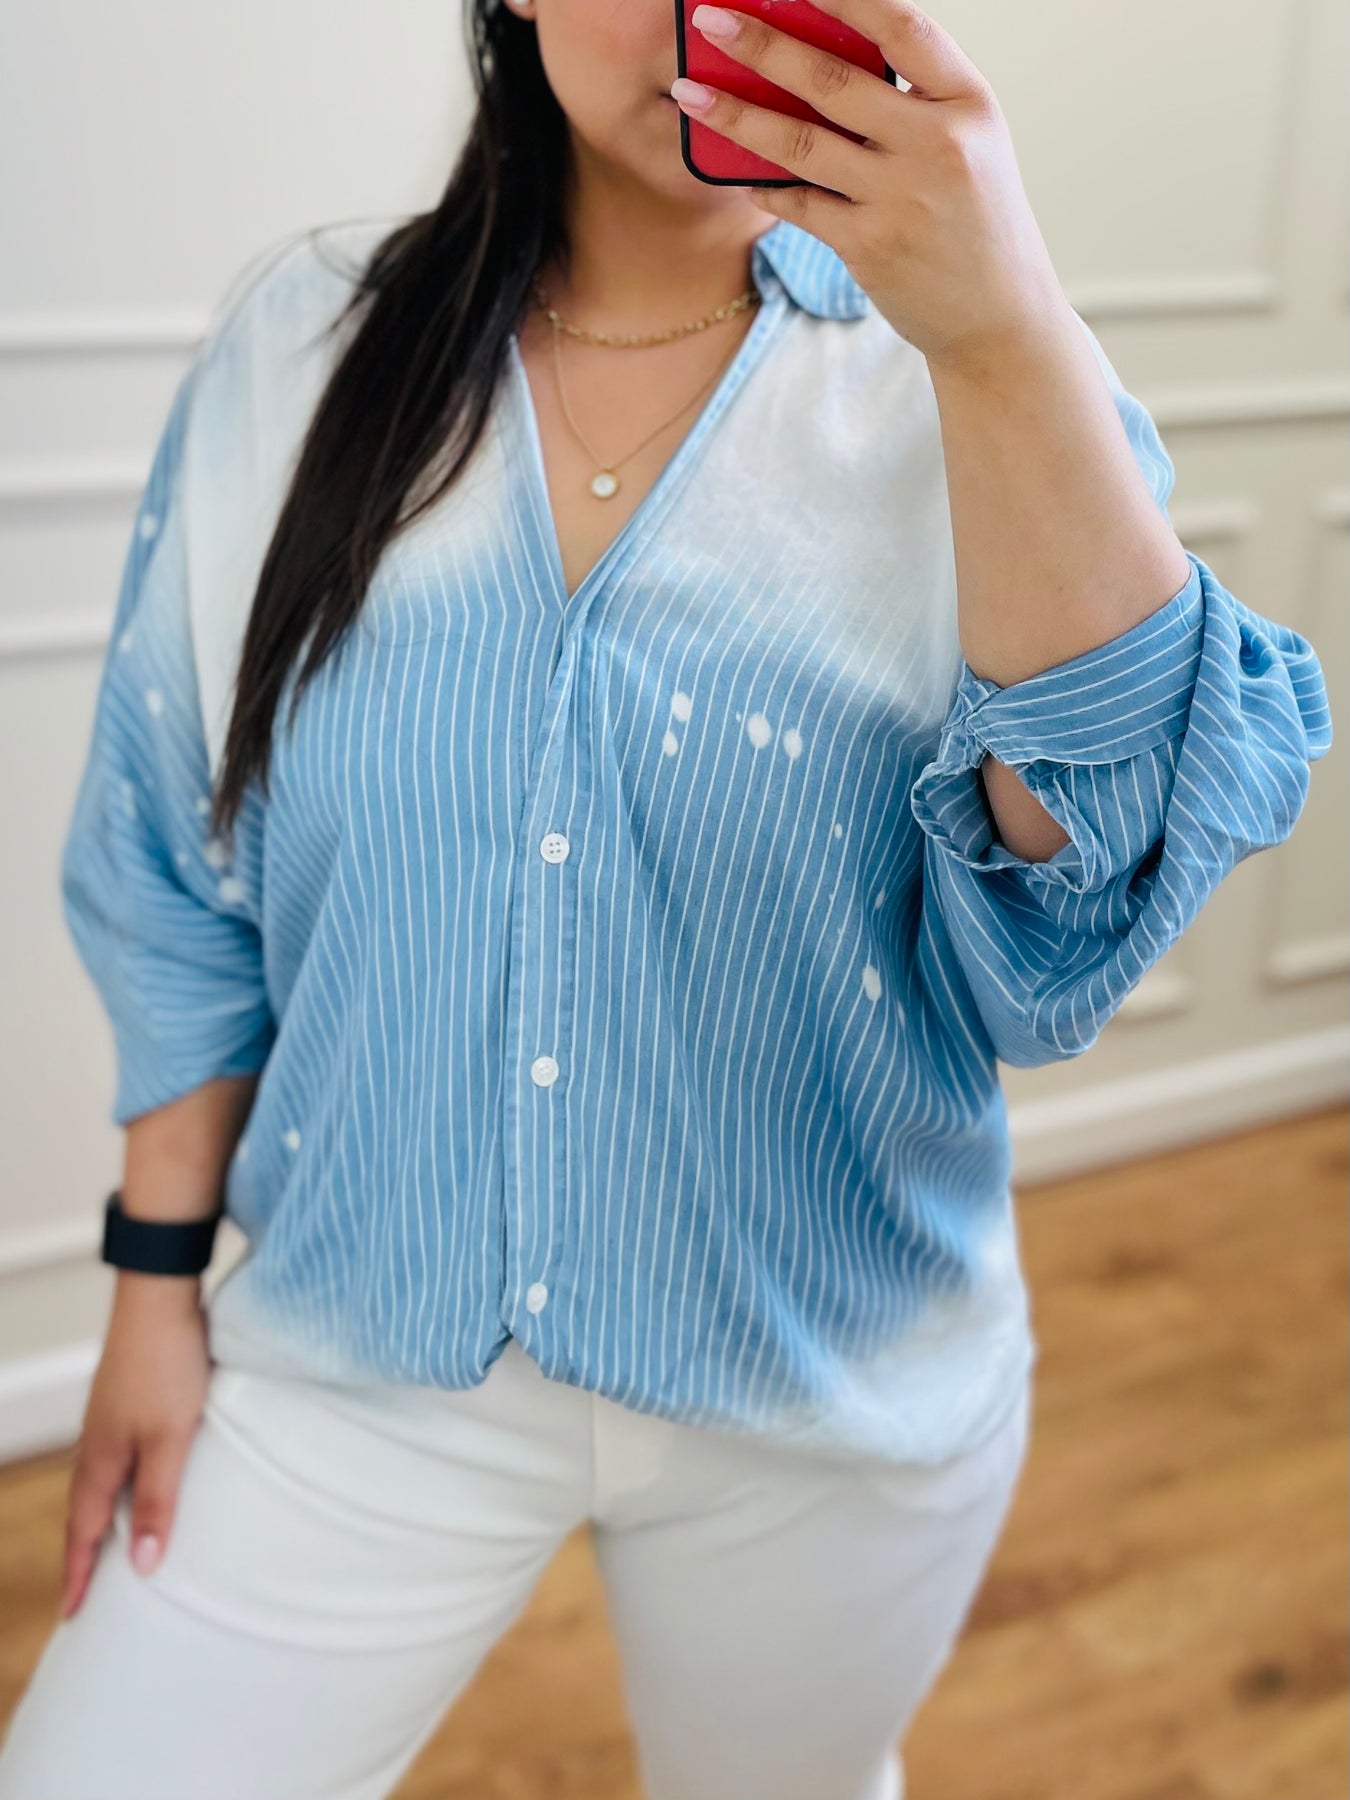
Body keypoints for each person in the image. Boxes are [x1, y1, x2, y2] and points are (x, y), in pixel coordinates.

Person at [0, 1, 1332, 1796]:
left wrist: (999, 332)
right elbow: (176, 859)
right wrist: (152, 1287)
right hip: (354, 1353)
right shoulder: (300, 352)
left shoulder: (985, 384)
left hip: (825, 1391)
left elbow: (1051, 945)